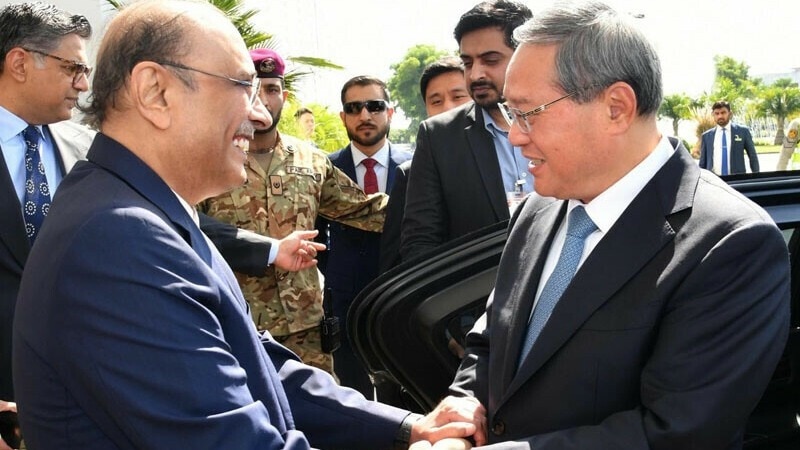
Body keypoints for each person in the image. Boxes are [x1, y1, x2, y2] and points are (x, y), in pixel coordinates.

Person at [13, 1, 485, 449]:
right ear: (155, 91)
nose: (260, 114)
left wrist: (409, 428)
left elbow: (262, 367)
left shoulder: (149, 211)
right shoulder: (119, 240)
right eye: (242, 86)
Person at [433, 1, 790, 448]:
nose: (515, 134)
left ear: (616, 107)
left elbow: (680, 432)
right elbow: (494, 336)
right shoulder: (538, 210)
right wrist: (465, 406)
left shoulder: (730, 243)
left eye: (527, 112)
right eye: (509, 112)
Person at [201, 49, 389, 375]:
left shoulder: (310, 159)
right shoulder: (210, 158)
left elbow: (364, 210)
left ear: (284, 96)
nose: (263, 100)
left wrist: (439, 201)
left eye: (272, 90)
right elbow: (188, 225)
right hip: (238, 324)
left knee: (322, 418)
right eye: (252, 89)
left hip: (307, 331)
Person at [0, 4, 91, 448]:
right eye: (72, 67)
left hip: (86, 400)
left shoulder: (87, 148)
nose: (84, 84)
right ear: (19, 63)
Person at [401, 0, 533, 264]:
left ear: (526, 54)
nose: (475, 75)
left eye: (490, 60)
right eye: (467, 62)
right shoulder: (439, 137)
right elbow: (420, 242)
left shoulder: (566, 118)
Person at [317, 75, 412, 398]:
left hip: (403, 298)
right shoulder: (324, 169)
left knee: (404, 395)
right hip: (345, 305)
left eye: (374, 106)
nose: (365, 115)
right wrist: (336, 272)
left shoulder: (418, 167)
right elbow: (317, 236)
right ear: (343, 116)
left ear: (390, 112)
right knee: (355, 399)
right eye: (354, 108)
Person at [380, 60, 472, 272]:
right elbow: (397, 260)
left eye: (458, 97)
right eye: (436, 101)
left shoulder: (517, 152)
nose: (448, 107)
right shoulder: (409, 175)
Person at [698, 100, 760, 175]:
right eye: (717, 113)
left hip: (737, 180)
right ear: (713, 115)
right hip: (714, 181)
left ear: (730, 114)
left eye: (723, 113)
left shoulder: (743, 131)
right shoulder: (706, 136)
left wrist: (756, 176)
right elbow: (702, 163)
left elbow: (753, 156)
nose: (720, 116)